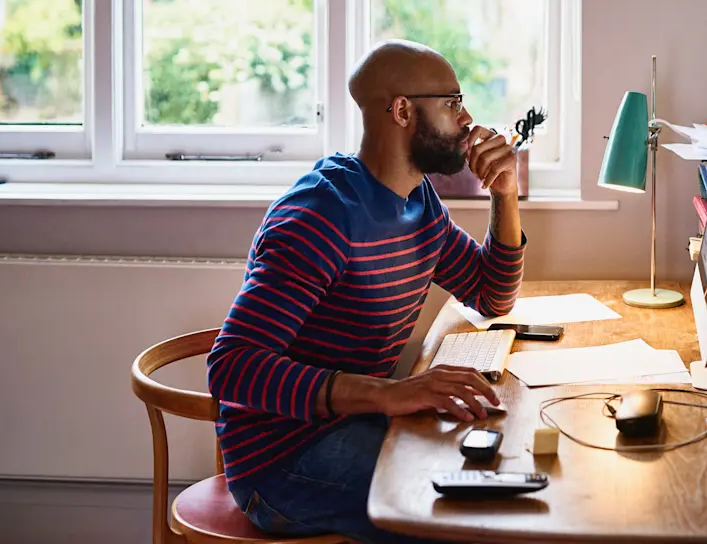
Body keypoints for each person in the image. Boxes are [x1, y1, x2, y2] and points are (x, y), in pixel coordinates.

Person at [205, 40, 526, 543]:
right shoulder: (321, 217)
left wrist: (505, 192)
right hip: (282, 461)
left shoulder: (417, 201)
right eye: (452, 102)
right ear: (402, 111)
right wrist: (388, 393)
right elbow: (231, 367)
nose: (467, 119)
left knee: (499, 473)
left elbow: (491, 295)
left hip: (357, 424)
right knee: (464, 518)